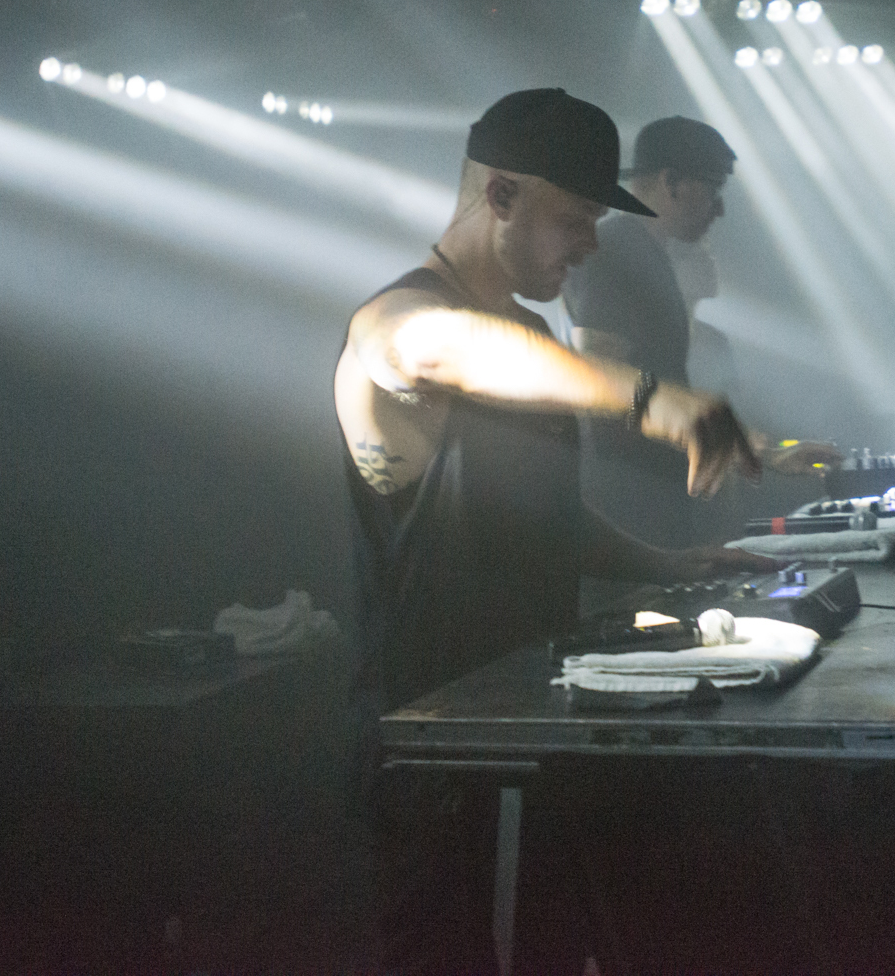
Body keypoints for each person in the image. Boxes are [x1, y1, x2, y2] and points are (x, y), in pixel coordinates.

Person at [334, 89, 774, 713]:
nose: (590, 245)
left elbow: (542, 516)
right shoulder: (395, 314)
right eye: (577, 219)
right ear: (502, 196)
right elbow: (430, 347)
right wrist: (648, 398)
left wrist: (665, 564)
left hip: (537, 707)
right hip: (432, 730)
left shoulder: (531, 337)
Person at [563, 116, 837, 549]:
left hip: (651, 502)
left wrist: (761, 452)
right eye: (713, 189)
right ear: (671, 182)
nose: (719, 209)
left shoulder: (644, 253)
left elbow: (645, 382)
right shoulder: (616, 250)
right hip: (629, 509)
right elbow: (598, 377)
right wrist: (670, 414)